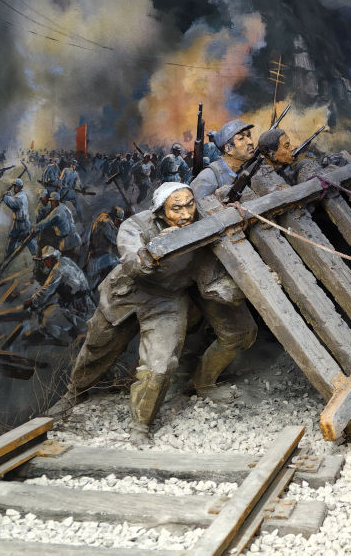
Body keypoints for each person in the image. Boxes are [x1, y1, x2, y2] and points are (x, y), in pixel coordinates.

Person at [46, 183, 256, 443]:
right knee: (98, 347)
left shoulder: (201, 232)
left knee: (160, 365)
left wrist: (248, 288)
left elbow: (211, 284)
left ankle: (141, 425)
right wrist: (160, 246)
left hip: (167, 301)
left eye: (189, 205)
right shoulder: (136, 225)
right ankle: (75, 393)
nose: (186, 214)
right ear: (160, 211)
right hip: (126, 294)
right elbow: (133, 263)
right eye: (176, 208)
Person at [22, 245, 94, 338]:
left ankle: (67, 337)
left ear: (51, 258)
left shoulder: (57, 269)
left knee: (51, 318)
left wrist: (33, 301)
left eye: (45, 260)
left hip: (78, 302)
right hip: (84, 296)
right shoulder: (66, 260)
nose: (45, 263)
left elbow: (47, 289)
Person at [191, 120, 255, 199]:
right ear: (228, 148)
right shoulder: (208, 179)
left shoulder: (245, 169)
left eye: (249, 136)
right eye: (241, 138)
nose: (250, 142)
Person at [32, 192, 83, 261]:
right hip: (76, 240)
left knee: (65, 263)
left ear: (54, 201)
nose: (51, 203)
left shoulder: (56, 212)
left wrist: (35, 228)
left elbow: (45, 222)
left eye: (51, 201)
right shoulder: (65, 208)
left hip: (66, 244)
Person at [85, 206, 125, 288]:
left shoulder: (103, 217)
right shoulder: (106, 224)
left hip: (97, 254)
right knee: (118, 266)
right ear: (115, 218)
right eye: (119, 221)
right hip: (98, 258)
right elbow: (115, 240)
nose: (119, 224)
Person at [1, 178, 33, 259]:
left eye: (15, 186)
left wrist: (5, 197)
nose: (14, 188)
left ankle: (8, 257)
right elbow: (13, 199)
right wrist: (8, 194)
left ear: (19, 187)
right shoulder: (21, 194)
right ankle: (7, 258)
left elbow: (12, 203)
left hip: (21, 223)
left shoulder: (20, 197)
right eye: (14, 186)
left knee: (21, 239)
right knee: (15, 239)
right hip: (20, 222)